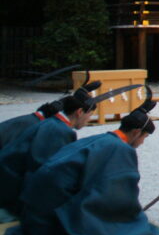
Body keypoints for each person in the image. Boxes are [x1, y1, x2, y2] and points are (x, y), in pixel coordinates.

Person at [4, 95, 159, 235]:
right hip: (50, 209)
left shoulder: (100, 138)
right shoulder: (122, 149)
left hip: (34, 201)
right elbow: (115, 188)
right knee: (129, 230)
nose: (142, 143)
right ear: (136, 132)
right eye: (144, 137)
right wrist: (131, 213)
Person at [0, 80, 101, 216]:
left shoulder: (51, 123)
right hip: (10, 198)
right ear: (79, 112)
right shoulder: (58, 131)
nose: (88, 120)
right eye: (90, 116)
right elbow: (43, 173)